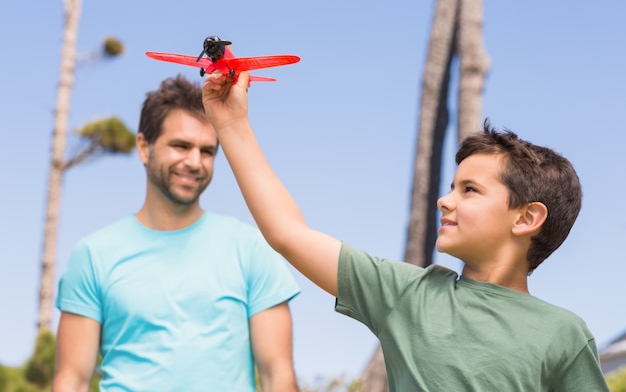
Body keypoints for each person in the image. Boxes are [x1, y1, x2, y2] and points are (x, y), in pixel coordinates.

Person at [201, 70, 611, 391]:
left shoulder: (564, 335)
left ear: (526, 218)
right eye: (452, 186)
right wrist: (232, 122)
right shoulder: (408, 294)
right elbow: (287, 233)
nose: (445, 200)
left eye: (470, 190)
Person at [53, 75, 300, 392]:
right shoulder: (92, 255)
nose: (195, 162)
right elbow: (71, 379)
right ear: (144, 147)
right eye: (181, 146)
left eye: (207, 151)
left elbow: (278, 375)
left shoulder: (251, 248)